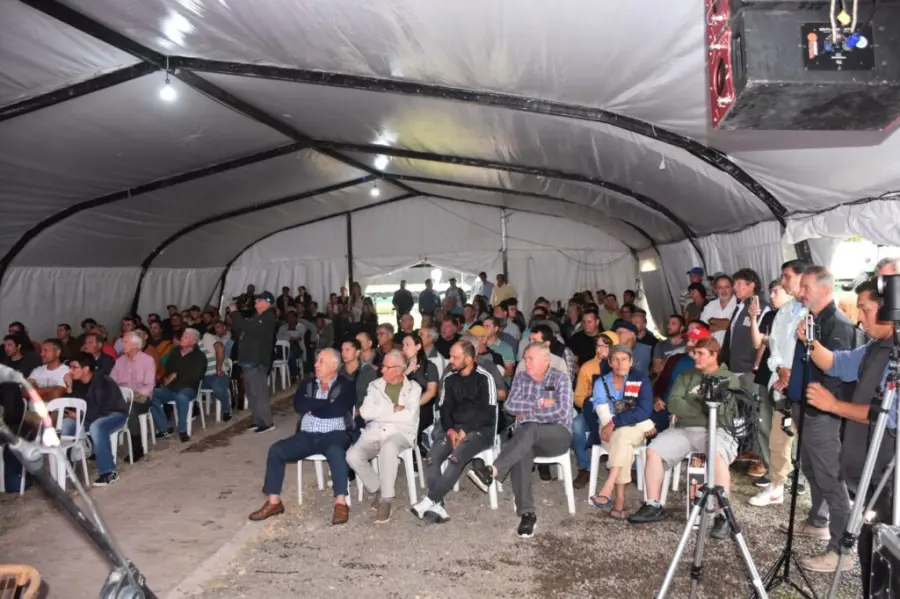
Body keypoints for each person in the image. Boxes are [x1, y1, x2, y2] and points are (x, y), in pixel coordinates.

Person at [803, 278, 896, 589]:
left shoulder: (895, 353)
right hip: (866, 467)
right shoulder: (874, 347)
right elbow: (837, 364)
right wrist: (810, 342)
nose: (861, 318)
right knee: (870, 542)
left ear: (888, 310)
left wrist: (834, 405)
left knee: (886, 547)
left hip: (888, 472)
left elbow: (888, 414)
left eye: (866, 310)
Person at [785, 266, 864, 571]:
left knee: (830, 477)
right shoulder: (813, 320)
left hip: (821, 414)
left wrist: (821, 408)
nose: (801, 292)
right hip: (805, 408)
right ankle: (818, 520)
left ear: (826, 289)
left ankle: (841, 550)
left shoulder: (838, 325)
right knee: (811, 468)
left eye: (806, 287)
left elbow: (839, 375)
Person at [628, 338, 740, 540]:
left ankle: (722, 515)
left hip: (717, 429)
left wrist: (691, 405)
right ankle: (653, 505)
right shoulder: (686, 375)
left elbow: (722, 413)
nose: (694, 357)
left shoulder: (729, 378)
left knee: (716, 455)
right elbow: (673, 404)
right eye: (694, 353)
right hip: (684, 429)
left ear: (714, 355)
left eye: (700, 354)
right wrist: (704, 406)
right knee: (653, 450)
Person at [468, 343, 573, 538]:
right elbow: (509, 406)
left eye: (531, 359)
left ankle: (493, 470)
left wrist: (529, 413)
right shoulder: (521, 378)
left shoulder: (561, 378)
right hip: (528, 437)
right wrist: (542, 403)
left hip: (557, 435)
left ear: (546, 360)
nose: (526, 363)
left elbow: (561, 412)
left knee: (529, 428)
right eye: (525, 359)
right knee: (523, 450)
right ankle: (527, 513)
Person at [249, 349, 357, 525]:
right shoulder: (307, 383)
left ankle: (340, 503)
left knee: (336, 452)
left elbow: (338, 410)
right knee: (277, 450)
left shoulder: (346, 384)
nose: (315, 364)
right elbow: (299, 405)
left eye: (321, 361)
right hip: (306, 435)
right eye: (316, 360)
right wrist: (327, 403)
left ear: (334, 366)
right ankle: (274, 502)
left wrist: (313, 407)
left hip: (334, 434)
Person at [410, 340, 497, 523]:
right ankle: (438, 505)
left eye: (455, 357)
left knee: (456, 458)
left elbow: (488, 412)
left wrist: (465, 430)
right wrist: (450, 430)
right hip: (453, 429)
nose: (450, 360)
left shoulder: (485, 378)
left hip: (480, 430)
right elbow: (445, 409)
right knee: (432, 458)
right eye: (450, 356)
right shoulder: (450, 378)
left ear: (469, 359)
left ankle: (429, 501)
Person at [346, 350, 422, 524]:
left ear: (399, 369)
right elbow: (365, 412)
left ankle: (386, 500)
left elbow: (409, 417)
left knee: (389, 446)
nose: (382, 370)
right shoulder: (375, 385)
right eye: (383, 366)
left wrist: (380, 412)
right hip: (376, 431)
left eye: (387, 367)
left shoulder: (414, 388)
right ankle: (378, 488)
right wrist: (393, 409)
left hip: (401, 432)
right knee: (352, 455)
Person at [586, 345, 655, 520]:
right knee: (622, 440)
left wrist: (616, 421)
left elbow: (644, 410)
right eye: (615, 359)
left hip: (631, 429)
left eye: (624, 359)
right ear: (610, 362)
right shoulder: (601, 383)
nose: (620, 363)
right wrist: (642, 422)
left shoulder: (640, 380)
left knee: (622, 436)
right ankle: (619, 501)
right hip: (608, 428)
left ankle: (609, 487)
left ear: (631, 362)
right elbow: (604, 415)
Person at [61, 353, 129, 486]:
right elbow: (69, 408)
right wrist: (68, 388)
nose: (70, 371)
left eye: (74, 367)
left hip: (114, 415)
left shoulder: (103, 382)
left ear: (86, 369)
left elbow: (100, 411)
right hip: (89, 417)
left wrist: (80, 416)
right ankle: (65, 468)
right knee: (66, 424)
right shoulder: (76, 383)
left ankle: (109, 472)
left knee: (97, 426)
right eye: (70, 367)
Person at [229, 291, 278, 434]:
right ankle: (258, 420)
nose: (255, 303)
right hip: (248, 360)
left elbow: (247, 327)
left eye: (258, 301)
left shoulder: (268, 317)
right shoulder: (257, 317)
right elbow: (241, 329)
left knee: (259, 392)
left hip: (257, 360)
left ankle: (267, 422)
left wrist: (235, 313)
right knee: (251, 393)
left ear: (267, 303)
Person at [148, 328, 207, 442]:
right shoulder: (175, 352)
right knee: (151, 394)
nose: (182, 339)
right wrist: (171, 377)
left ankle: (182, 430)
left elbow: (195, 376)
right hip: (171, 388)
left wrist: (176, 375)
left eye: (186, 337)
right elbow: (168, 369)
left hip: (188, 388)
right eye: (183, 336)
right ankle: (165, 428)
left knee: (181, 397)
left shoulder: (199, 356)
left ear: (194, 341)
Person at [109, 331, 156, 459]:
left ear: (135, 345)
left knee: (130, 409)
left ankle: (137, 446)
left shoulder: (147, 360)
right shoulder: (120, 361)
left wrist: (131, 396)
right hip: (122, 398)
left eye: (125, 342)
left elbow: (149, 387)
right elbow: (111, 382)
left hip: (141, 398)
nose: (122, 345)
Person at [400, 332, 439, 457]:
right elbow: (393, 388)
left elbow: (431, 391)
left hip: (422, 407)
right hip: (402, 405)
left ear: (418, 346)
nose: (404, 348)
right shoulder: (400, 367)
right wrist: (406, 372)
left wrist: (415, 405)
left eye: (407, 344)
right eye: (403, 345)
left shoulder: (429, 367)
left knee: (412, 421)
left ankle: (414, 455)